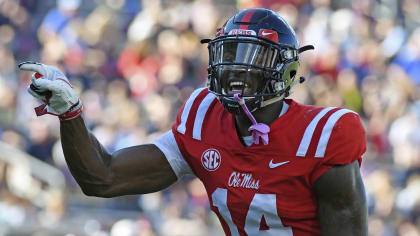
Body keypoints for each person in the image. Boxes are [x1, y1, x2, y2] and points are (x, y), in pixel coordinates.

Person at [19, 8, 368, 236]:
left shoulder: (323, 135)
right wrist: (71, 112)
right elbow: (103, 178)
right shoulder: (204, 117)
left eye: (253, 57)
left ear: (285, 70)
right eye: (229, 55)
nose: (236, 68)